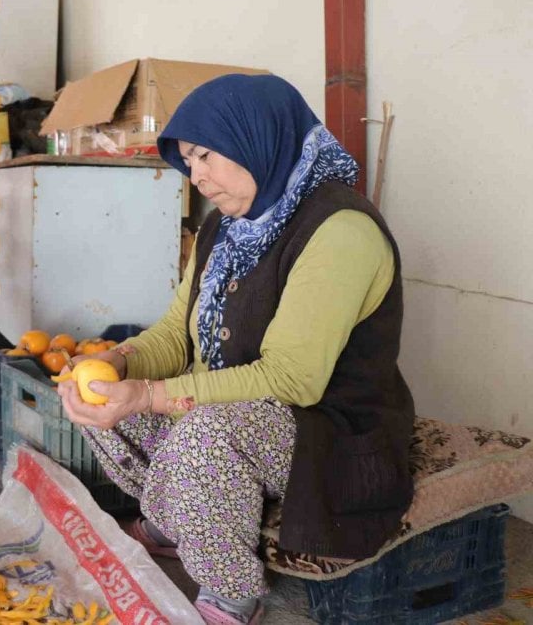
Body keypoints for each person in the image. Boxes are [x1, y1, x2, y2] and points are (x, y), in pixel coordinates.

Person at [56, 74, 414, 624]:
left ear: (255, 137)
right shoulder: (224, 229)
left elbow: (294, 379)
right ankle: (178, 523)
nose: (196, 177)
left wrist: (151, 395)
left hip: (327, 432)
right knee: (98, 399)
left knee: (204, 434)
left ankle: (231, 590)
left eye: (204, 156)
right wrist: (118, 364)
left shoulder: (339, 230)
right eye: (188, 163)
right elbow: (177, 333)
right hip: (242, 417)